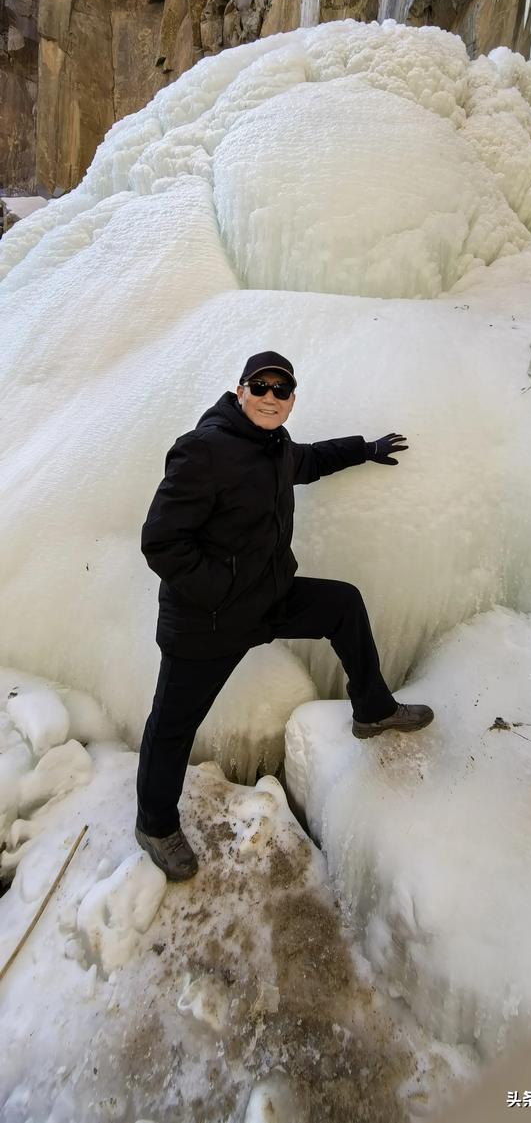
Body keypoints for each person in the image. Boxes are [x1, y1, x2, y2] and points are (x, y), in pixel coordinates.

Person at [136, 350, 434, 879]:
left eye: (282, 389)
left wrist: (363, 449)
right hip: (208, 621)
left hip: (266, 600)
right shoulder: (203, 450)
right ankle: (155, 825)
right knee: (172, 726)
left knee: (342, 603)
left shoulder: (274, 447)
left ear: (292, 399)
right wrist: (222, 589)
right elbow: (161, 541)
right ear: (241, 390)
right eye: (261, 386)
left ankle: (372, 709)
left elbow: (310, 461)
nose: (271, 397)